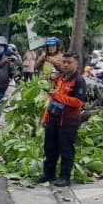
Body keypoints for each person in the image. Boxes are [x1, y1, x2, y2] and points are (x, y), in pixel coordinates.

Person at [39, 52, 86, 186]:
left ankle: (65, 177)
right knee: (50, 147)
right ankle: (49, 174)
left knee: (66, 149)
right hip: (53, 118)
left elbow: (78, 102)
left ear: (76, 64)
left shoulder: (79, 81)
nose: (65, 65)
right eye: (64, 62)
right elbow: (52, 99)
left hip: (68, 120)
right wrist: (45, 117)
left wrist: (59, 96)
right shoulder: (60, 78)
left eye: (69, 62)